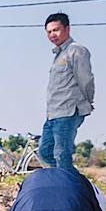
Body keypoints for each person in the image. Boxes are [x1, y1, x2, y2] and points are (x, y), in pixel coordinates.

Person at [39, 12, 95, 170]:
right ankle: (67, 182)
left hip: (68, 111)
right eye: (49, 32)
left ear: (67, 29)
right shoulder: (59, 54)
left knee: (61, 154)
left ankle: (72, 189)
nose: (52, 35)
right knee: (44, 152)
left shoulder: (76, 51)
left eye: (56, 30)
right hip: (53, 113)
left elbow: (86, 79)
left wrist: (88, 102)